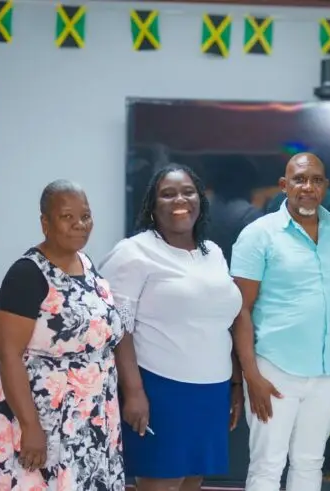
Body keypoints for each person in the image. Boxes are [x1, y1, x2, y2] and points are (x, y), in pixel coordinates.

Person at [98, 164, 244, 491]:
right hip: (160, 389)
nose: (180, 199)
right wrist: (134, 392)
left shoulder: (213, 253)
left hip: (212, 390)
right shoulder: (134, 252)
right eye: (168, 194)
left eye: (188, 192)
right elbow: (118, 329)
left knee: (192, 481)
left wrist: (235, 384)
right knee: (162, 482)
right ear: (152, 205)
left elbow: (222, 321)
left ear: (200, 200)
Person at [0, 180, 125, 490]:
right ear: (45, 223)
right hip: (46, 421)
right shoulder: (27, 273)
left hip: (92, 421)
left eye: (85, 216)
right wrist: (30, 426)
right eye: (67, 216)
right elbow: (6, 354)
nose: (79, 224)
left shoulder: (87, 264)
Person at [231, 152, 330, 491]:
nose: (308, 187)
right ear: (284, 185)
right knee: (268, 466)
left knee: (310, 463)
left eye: (316, 180)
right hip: (274, 370)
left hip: (328, 372)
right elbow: (240, 310)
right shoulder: (258, 235)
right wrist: (251, 376)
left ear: (326, 186)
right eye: (299, 179)